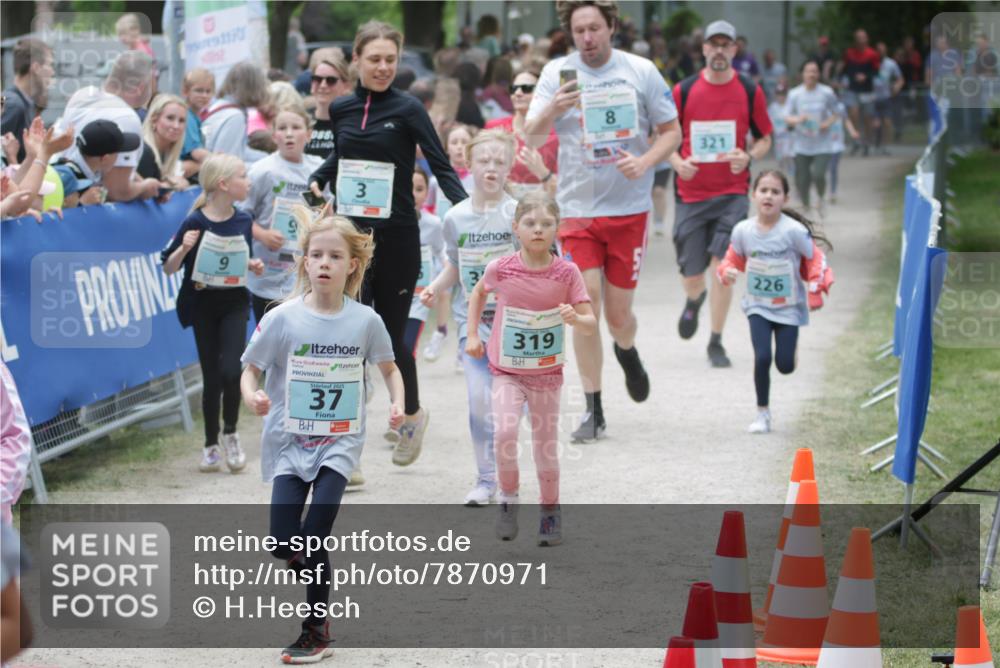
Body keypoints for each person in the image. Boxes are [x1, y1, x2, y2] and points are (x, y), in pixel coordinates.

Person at [240, 212, 403, 665]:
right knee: (282, 544)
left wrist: (397, 403)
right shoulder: (282, 318)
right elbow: (250, 370)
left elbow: (390, 369)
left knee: (313, 538)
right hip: (290, 443)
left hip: (339, 443)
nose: (324, 263)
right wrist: (253, 395)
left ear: (353, 265)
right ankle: (315, 584)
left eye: (335, 256)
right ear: (305, 263)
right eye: (316, 255)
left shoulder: (365, 320)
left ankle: (315, 630)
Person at [308, 21, 467, 467]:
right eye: (374, 59)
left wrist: (470, 213)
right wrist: (318, 178)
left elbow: (440, 164)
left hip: (396, 239)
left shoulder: (408, 108)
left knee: (392, 341)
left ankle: (412, 415)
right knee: (345, 342)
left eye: (390, 60)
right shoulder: (341, 108)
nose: (383, 67)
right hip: (351, 242)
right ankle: (343, 446)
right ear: (356, 60)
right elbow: (345, 153)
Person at [525, 0, 681, 441]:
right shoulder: (557, 73)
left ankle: (627, 351)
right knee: (585, 305)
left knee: (618, 316)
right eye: (579, 31)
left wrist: (645, 161)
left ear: (611, 26)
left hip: (629, 208)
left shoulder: (640, 71)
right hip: (577, 209)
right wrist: (552, 109)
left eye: (595, 28)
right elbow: (531, 136)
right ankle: (593, 409)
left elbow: (672, 132)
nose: (587, 38)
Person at [465, 190, 596, 544]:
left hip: (547, 376)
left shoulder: (567, 273)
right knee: (505, 434)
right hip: (506, 371)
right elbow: (478, 293)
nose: (538, 229)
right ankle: (508, 500)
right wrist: (473, 334)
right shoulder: (501, 268)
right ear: (516, 228)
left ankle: (550, 511)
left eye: (546, 223)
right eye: (530, 223)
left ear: (557, 228)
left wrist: (575, 318)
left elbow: (590, 322)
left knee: (545, 448)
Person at [420, 129, 517, 505]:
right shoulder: (455, 217)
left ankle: (507, 478)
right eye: (484, 161)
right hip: (474, 324)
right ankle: (485, 479)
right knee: (479, 401)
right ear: (468, 164)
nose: (491, 168)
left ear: (509, 167)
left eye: (499, 162)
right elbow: (455, 266)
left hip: (515, 324)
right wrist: (435, 286)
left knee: (507, 413)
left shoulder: (517, 214)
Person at [668, 19, 772, 369]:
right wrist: (676, 161)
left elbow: (765, 138)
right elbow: (663, 137)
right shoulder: (683, 90)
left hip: (733, 194)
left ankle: (715, 340)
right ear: (704, 49)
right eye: (713, 44)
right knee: (693, 277)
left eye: (725, 45)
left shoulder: (749, 89)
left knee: (723, 268)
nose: (719, 50)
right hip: (691, 195)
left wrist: (749, 156)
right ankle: (694, 300)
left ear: (734, 49)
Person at [161, 154, 264, 474]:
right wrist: (184, 249)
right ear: (224, 184)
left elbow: (239, 257)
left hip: (234, 302)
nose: (248, 182)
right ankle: (210, 444)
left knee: (232, 371)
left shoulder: (243, 220)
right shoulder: (195, 222)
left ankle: (230, 433)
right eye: (243, 176)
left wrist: (251, 264)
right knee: (212, 376)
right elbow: (168, 267)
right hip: (203, 304)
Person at [717, 170, 832, 433]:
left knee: (785, 366)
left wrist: (815, 290)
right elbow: (730, 260)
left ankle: (790, 352)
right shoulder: (743, 230)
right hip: (757, 305)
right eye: (764, 190)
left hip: (788, 308)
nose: (769, 196)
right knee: (762, 357)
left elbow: (816, 259)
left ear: (785, 198)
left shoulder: (793, 231)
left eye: (775, 192)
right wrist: (727, 272)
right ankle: (762, 414)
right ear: (753, 195)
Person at [243, 105, 323, 324]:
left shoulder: (318, 169)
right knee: (269, 335)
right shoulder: (262, 170)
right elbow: (241, 215)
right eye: (282, 128)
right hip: (267, 273)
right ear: (273, 135)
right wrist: (262, 235)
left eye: (296, 127)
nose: (289, 134)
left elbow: (328, 214)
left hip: (306, 273)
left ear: (308, 134)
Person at [57, 51, 161, 202]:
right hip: (88, 207)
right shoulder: (127, 118)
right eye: (152, 84)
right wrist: (146, 187)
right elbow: (117, 191)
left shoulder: (82, 95)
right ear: (139, 87)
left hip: (61, 193)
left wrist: (138, 180)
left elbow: (116, 168)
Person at [397, 167, 446, 440]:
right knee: (390, 356)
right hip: (391, 299)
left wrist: (438, 284)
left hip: (418, 300)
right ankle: (399, 410)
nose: (413, 194)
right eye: (408, 187)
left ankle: (406, 415)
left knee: (405, 351)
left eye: (418, 189)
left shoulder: (433, 224)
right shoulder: (389, 221)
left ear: (427, 193)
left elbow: (444, 255)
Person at [485, 69, 559, 200]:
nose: (518, 93)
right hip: (500, 205)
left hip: (541, 208)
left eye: (526, 88)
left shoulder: (557, 135)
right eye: (513, 89)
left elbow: (568, 188)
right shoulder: (494, 128)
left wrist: (542, 172)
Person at [784, 60, 839, 216]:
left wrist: (826, 124)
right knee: (802, 179)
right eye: (808, 71)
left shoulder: (826, 92)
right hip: (801, 144)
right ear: (803, 74)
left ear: (819, 74)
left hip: (822, 143)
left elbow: (836, 113)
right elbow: (787, 117)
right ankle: (806, 207)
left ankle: (821, 198)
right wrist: (798, 119)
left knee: (818, 175)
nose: (811, 75)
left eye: (814, 71)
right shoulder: (795, 94)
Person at [201, 61, 271, 164]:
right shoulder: (235, 117)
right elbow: (227, 163)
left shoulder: (218, 105)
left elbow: (239, 150)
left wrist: (267, 159)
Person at [1, 38, 53, 163]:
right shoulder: (13, 104)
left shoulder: (22, 102)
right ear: (36, 67)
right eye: (49, 65)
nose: (52, 72)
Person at [304, 51, 353, 159]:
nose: (323, 85)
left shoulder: (353, 123)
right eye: (317, 79)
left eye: (331, 80)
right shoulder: (301, 121)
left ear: (346, 86)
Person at [840, 28, 880, 156]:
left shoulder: (872, 54)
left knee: (868, 118)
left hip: (867, 91)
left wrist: (865, 76)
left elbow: (876, 72)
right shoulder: (849, 53)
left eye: (863, 37)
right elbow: (845, 69)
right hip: (852, 89)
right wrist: (841, 78)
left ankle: (867, 143)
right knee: (854, 113)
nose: (861, 40)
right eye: (859, 38)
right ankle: (856, 141)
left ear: (867, 39)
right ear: (855, 40)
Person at [140, 94, 189, 187]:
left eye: (181, 120)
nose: (176, 126)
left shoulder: (167, 152)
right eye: (170, 118)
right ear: (154, 120)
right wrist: (169, 186)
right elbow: (142, 192)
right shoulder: (144, 152)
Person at [180, 68, 214, 179]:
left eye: (208, 91)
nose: (204, 95)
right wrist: (221, 162)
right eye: (199, 91)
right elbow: (196, 153)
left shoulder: (196, 117)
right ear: (185, 92)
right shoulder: (186, 116)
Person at [826, 93, 860, 205]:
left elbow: (846, 120)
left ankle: (833, 192)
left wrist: (852, 132)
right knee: (822, 170)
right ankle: (821, 192)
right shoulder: (821, 107)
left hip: (837, 144)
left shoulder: (840, 107)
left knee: (833, 168)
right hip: (823, 145)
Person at [873, 42, 904, 154]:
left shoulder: (891, 63)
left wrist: (897, 87)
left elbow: (900, 79)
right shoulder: (871, 62)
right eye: (878, 50)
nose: (880, 53)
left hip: (886, 97)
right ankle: (875, 144)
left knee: (887, 122)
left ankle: (885, 146)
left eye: (882, 50)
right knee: (876, 124)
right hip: (872, 98)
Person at [769, 83, 794, 178]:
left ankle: (792, 173)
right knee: (780, 159)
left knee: (788, 155)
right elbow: (769, 121)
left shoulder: (790, 106)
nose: (781, 97)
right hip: (778, 137)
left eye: (783, 94)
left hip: (789, 136)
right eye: (779, 94)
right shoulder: (773, 107)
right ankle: (782, 176)